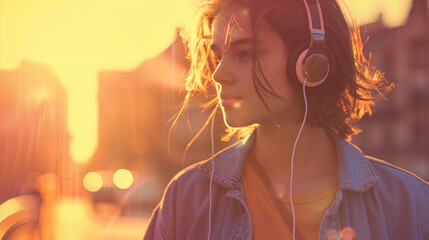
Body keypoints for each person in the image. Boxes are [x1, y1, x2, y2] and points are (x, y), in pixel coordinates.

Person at [144, 0, 429, 239]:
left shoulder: (410, 205)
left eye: (245, 53)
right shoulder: (186, 199)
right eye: (217, 55)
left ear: (313, 63)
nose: (218, 74)